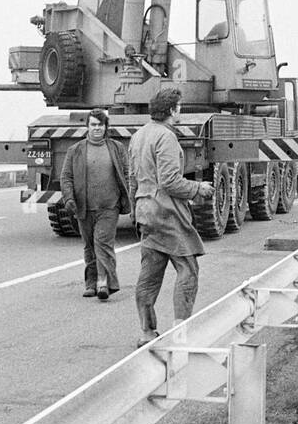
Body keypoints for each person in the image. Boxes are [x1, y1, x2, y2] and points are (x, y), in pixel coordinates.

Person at [129, 86, 213, 347]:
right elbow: (170, 181)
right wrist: (199, 188)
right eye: (179, 107)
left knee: (150, 273)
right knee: (188, 269)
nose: (181, 111)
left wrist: (135, 211)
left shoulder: (139, 136)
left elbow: (132, 178)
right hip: (167, 211)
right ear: (172, 110)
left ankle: (147, 331)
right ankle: (180, 332)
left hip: (145, 210)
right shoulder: (166, 137)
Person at [60, 108, 130, 301]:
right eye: (93, 125)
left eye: (100, 125)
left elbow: (126, 173)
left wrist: (129, 196)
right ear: (87, 127)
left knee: (102, 242)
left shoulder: (116, 148)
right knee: (89, 245)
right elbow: (66, 176)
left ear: (106, 127)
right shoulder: (76, 150)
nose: (97, 128)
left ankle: (103, 282)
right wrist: (69, 199)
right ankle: (90, 284)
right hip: (84, 207)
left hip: (110, 206)